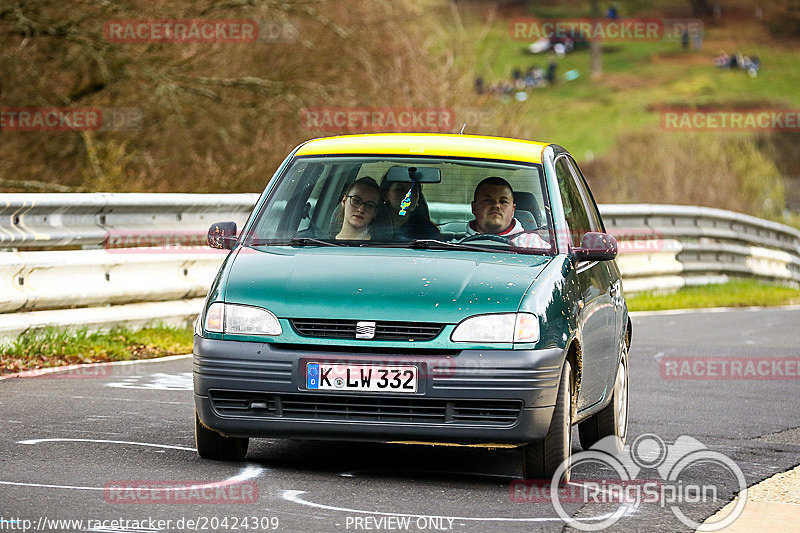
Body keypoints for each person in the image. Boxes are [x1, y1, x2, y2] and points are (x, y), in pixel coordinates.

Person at [467, 177, 548, 248]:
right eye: (487, 201)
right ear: (474, 207)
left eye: (503, 201)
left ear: (513, 210)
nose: (496, 205)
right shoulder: (455, 244)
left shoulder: (533, 244)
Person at [376, 174, 441, 241]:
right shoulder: (372, 227)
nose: (408, 195)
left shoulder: (429, 231)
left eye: (414, 190)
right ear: (385, 194)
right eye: (400, 189)